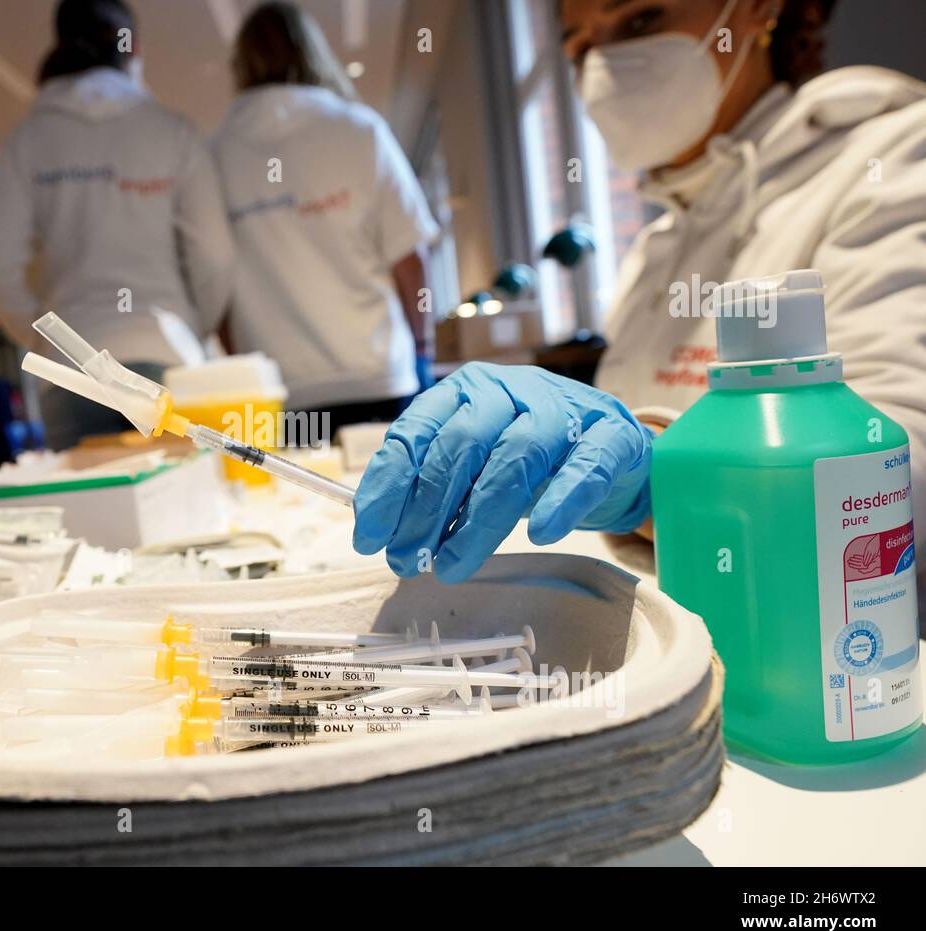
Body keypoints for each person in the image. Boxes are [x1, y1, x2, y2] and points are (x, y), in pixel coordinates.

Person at [353, 0, 926, 597]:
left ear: (759, 11)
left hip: (827, 650)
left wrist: (662, 476)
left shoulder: (893, 160)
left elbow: (901, 477)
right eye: (578, 48)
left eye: (641, 19)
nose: (604, 63)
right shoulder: (658, 247)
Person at [0, 0, 234, 449]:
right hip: (167, 356)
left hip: (75, 373)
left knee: (90, 515)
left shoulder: (28, 140)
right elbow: (214, 256)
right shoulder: (172, 131)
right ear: (132, 47)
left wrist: (50, 341)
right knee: (186, 512)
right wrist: (191, 327)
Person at [213, 1, 440, 430]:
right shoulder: (360, 130)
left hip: (282, 394)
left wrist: (242, 368)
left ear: (241, 64)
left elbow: (216, 284)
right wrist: (423, 350)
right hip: (380, 378)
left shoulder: (215, 154)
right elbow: (409, 258)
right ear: (310, 51)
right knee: (397, 495)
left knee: (296, 498)